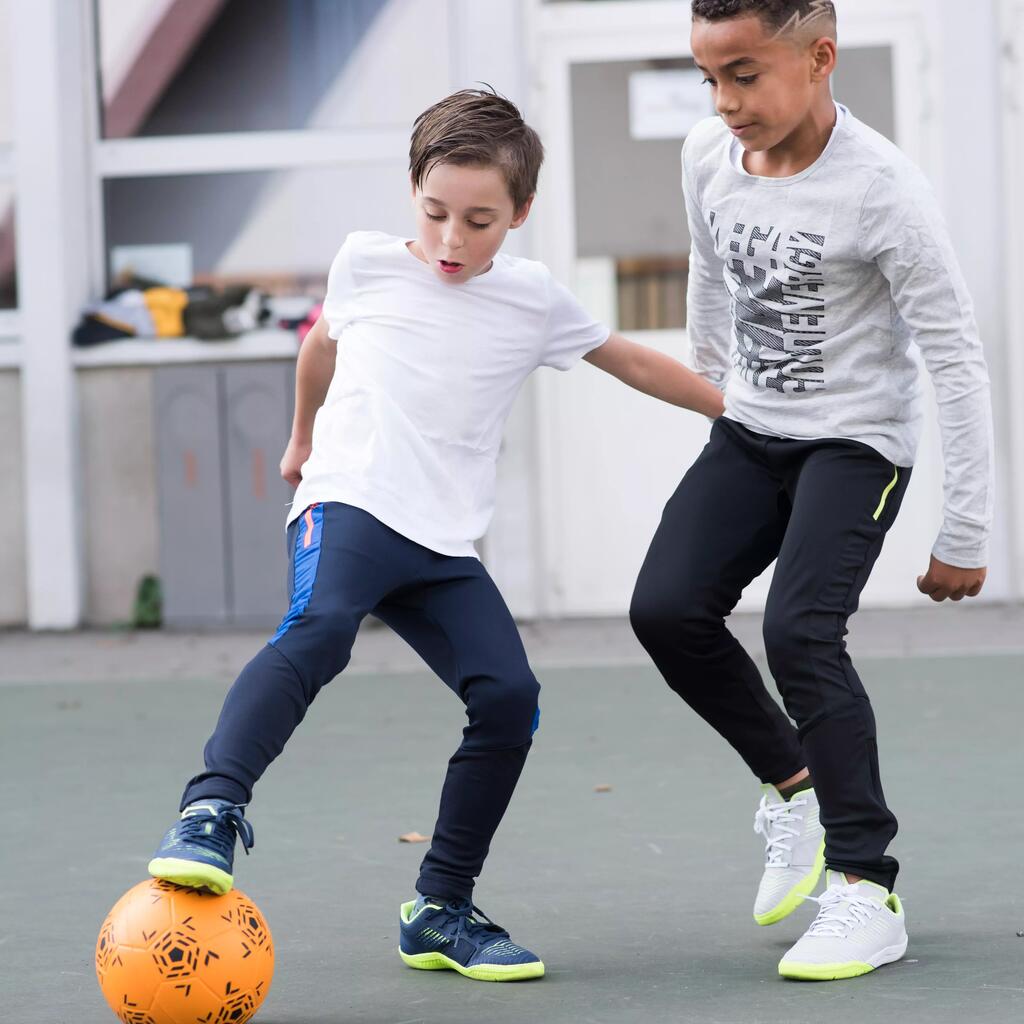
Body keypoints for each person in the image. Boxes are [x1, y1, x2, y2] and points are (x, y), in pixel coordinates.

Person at [147, 87, 724, 984]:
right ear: (413, 190)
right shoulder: (365, 264)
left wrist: (736, 411)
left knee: (508, 696)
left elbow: (631, 360)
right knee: (322, 629)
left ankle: (440, 907)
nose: (453, 239)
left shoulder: (532, 298)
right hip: (349, 502)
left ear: (521, 213)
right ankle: (210, 811)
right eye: (437, 212)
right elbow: (318, 348)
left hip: (443, 543)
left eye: (481, 220)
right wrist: (302, 437)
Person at [629, 0, 994, 982]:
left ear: (819, 57)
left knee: (798, 630)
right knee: (664, 608)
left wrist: (963, 529)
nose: (723, 100)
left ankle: (866, 887)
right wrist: (713, 381)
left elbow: (957, 359)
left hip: (854, 445)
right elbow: (709, 267)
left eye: (744, 74)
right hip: (751, 432)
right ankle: (793, 785)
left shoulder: (881, 190)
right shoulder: (709, 152)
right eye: (708, 77)